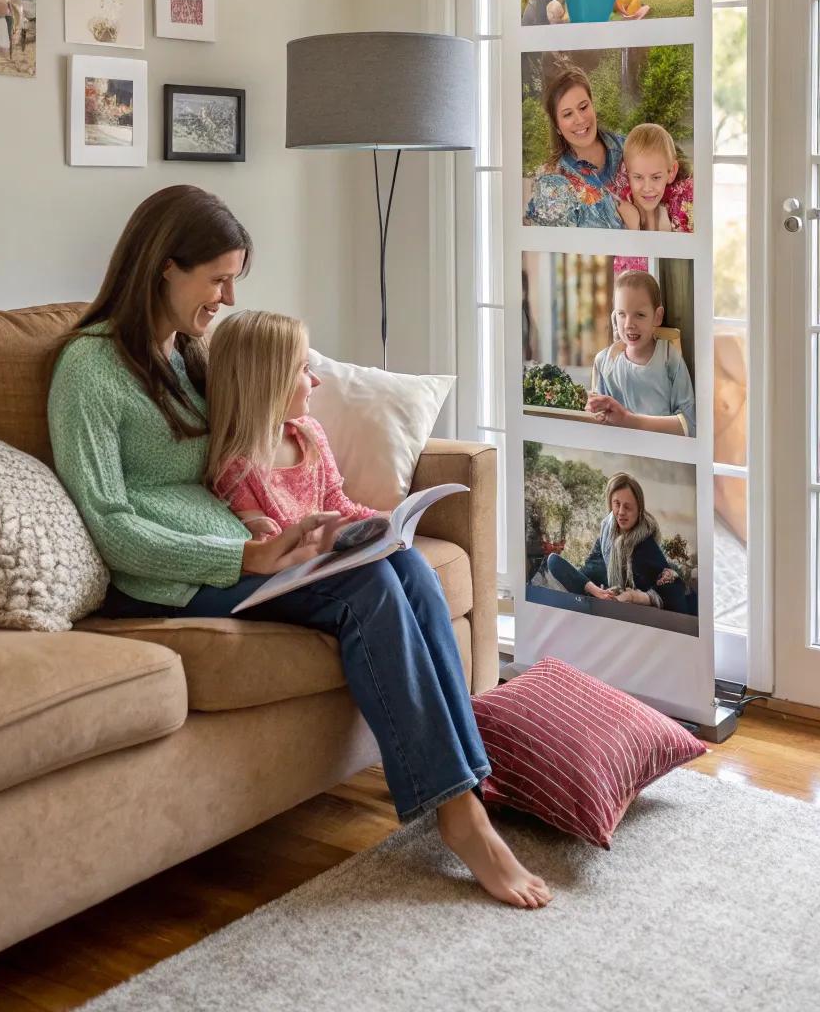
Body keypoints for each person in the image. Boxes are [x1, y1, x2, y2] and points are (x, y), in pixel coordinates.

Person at [47, 185, 549, 910]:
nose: (224, 297)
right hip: (161, 578)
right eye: (216, 278)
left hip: (240, 549)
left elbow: (250, 433)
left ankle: (472, 782)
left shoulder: (183, 356)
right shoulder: (88, 372)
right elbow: (110, 525)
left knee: (401, 561)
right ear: (163, 267)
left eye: (232, 280)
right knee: (368, 590)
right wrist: (241, 557)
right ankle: (459, 815)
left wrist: (298, 529)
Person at [206, 308, 377, 549]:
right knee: (378, 573)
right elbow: (269, 544)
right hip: (300, 568)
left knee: (406, 555)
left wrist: (384, 521)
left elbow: (337, 504)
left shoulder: (309, 432)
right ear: (270, 381)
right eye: (305, 369)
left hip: (330, 552)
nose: (316, 380)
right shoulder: (236, 468)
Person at [545, 471, 692, 613]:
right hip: (602, 597)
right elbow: (588, 569)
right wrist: (599, 592)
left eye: (627, 507)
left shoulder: (645, 545)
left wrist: (634, 597)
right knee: (553, 561)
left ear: (639, 509)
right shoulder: (606, 537)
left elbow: (673, 595)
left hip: (633, 612)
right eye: (617, 504)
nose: (621, 512)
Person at [587, 271, 696, 436]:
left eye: (640, 315)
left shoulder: (669, 358)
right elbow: (597, 423)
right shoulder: (604, 362)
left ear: (657, 316)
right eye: (621, 314)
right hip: (621, 457)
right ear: (614, 316)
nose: (629, 324)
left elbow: (690, 426)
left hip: (662, 457)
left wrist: (628, 420)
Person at [524, 65, 630, 229]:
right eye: (567, 114)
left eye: (583, 107)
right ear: (557, 126)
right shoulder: (552, 185)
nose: (580, 119)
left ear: (593, 106)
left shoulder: (629, 148)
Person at [617, 123, 694, 233]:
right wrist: (633, 226)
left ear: (672, 172)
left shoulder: (684, 212)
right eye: (638, 177)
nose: (647, 188)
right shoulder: (615, 215)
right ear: (625, 171)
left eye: (656, 177)